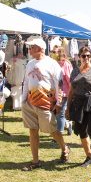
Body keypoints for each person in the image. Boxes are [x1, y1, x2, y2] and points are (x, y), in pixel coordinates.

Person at [21, 36, 70, 171]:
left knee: (52, 131)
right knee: (32, 131)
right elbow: (26, 82)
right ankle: (35, 161)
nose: (29, 50)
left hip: (46, 104)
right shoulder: (30, 63)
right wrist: (23, 100)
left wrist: (59, 103)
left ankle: (64, 148)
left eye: (32, 48)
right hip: (30, 103)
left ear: (40, 49)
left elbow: (59, 85)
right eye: (29, 47)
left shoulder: (52, 64)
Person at [57, 47, 73, 136]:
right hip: (55, 92)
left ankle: (59, 133)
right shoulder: (55, 63)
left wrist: (71, 92)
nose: (54, 53)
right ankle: (68, 124)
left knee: (60, 113)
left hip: (64, 92)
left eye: (56, 52)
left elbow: (69, 79)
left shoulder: (66, 64)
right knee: (57, 113)